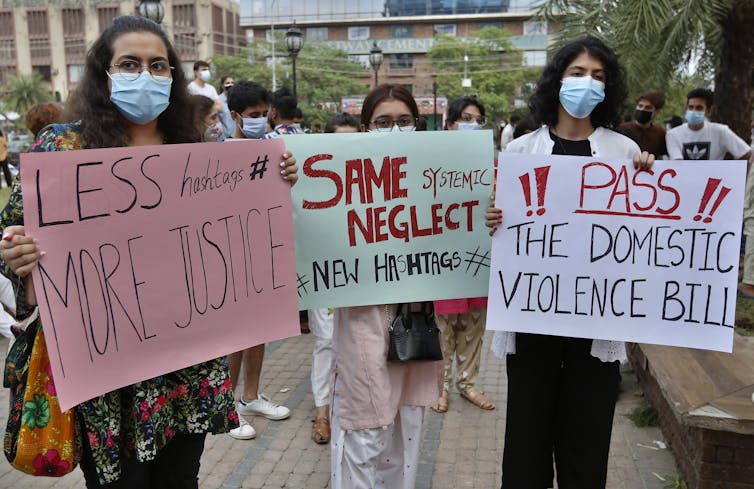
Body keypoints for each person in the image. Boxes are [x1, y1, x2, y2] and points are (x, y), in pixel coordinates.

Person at [0, 16, 298, 488]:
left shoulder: (194, 149)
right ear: (105, 74)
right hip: (107, 380)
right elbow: (13, 245)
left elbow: (231, 231)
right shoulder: (61, 149)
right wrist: (20, 259)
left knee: (182, 480)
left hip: (186, 366)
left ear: (173, 77)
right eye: (129, 63)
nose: (146, 75)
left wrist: (274, 178)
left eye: (158, 65)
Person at [486, 36, 653, 489]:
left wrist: (650, 181)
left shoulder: (625, 154)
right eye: (578, 73)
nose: (587, 83)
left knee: (588, 436)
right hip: (533, 318)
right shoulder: (521, 152)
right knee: (526, 437)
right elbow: (503, 231)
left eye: (598, 76)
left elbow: (645, 232)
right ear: (557, 80)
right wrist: (494, 219)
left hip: (595, 322)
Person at [330, 84, 443, 489]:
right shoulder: (337, 183)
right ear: (365, 128)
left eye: (404, 121)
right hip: (363, 317)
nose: (394, 129)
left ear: (418, 124)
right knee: (364, 430)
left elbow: (458, 233)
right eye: (383, 122)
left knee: (406, 426)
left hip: (414, 320)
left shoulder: (436, 179)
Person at [224, 79, 292, 440]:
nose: (260, 120)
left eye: (264, 113)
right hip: (234, 254)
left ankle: (250, 396)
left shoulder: (273, 148)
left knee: (260, 330)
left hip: (266, 247)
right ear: (235, 116)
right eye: (253, 115)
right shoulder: (219, 153)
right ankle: (229, 404)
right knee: (237, 333)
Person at [431, 95, 493, 413]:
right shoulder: (433, 162)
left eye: (478, 120)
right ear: (451, 123)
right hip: (443, 262)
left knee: (473, 327)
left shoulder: (491, 163)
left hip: (478, 261)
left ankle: (467, 383)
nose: (472, 125)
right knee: (442, 328)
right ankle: (438, 387)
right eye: (466, 119)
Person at [306, 113, 360, 446]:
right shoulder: (310, 179)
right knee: (325, 341)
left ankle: (356, 404)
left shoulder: (373, 179)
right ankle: (322, 411)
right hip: (323, 273)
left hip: (363, 273)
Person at [666, 88, 752, 161]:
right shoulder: (673, 134)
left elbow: (747, 154)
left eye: (699, 108)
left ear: (709, 111)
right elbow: (677, 163)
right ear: (686, 108)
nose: (694, 111)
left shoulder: (720, 131)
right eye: (691, 107)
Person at [618, 91, 668, 157]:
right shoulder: (621, 129)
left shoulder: (660, 134)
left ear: (657, 112)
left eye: (648, 107)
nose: (642, 109)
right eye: (640, 106)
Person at [217, 74, 235, 140]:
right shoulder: (217, 101)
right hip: (223, 138)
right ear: (222, 85)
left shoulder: (237, 99)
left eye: (232, 83)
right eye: (227, 83)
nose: (230, 85)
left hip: (236, 137)